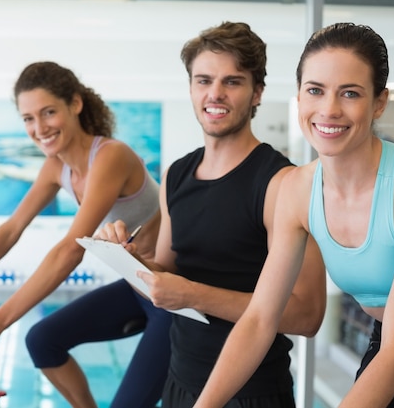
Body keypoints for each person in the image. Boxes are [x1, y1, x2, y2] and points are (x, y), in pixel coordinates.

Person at [193, 23, 394, 408]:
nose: (329, 109)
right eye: (315, 90)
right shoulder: (296, 189)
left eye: (350, 93)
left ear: (379, 102)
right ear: (299, 97)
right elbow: (260, 320)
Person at [0, 61, 172, 408]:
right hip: (137, 288)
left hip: (172, 299)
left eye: (48, 112)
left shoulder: (111, 156)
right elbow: (10, 230)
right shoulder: (56, 167)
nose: (39, 127)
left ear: (75, 104)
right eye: (28, 118)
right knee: (42, 340)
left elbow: (70, 250)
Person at [97, 21, 326, 408]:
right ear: (190, 88)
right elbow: (164, 280)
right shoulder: (176, 174)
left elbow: (307, 314)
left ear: (258, 93)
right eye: (203, 80)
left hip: (252, 393)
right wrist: (128, 259)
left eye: (232, 82)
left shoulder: (281, 183)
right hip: (180, 382)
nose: (214, 93)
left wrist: (196, 295)